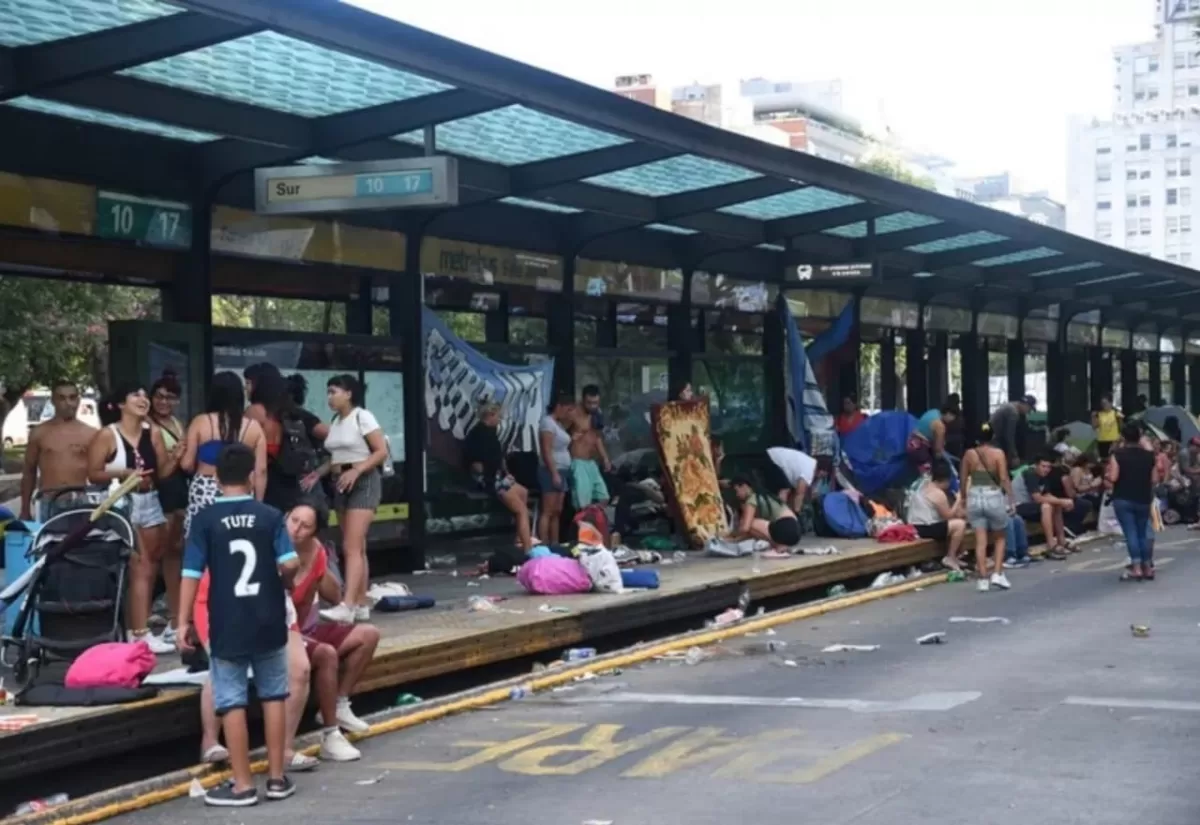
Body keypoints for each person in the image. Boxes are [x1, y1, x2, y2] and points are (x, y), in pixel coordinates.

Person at [178, 444, 299, 806]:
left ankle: (243, 784)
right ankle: (277, 779)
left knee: (231, 699)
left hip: (227, 620)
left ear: (215, 477)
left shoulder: (205, 521)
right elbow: (290, 564)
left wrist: (182, 620)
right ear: (250, 476)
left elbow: (190, 573)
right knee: (274, 694)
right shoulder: (270, 516)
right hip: (267, 616)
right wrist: (285, 581)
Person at [88, 382, 175, 653]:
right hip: (121, 502)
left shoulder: (155, 433)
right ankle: (139, 633)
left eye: (143, 394)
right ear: (121, 405)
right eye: (134, 394)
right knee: (140, 565)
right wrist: (123, 473)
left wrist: (179, 456)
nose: (143, 399)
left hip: (149, 500)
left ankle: (137, 627)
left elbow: (162, 472)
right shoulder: (108, 434)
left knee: (150, 566)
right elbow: (93, 474)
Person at [287, 499, 379, 755]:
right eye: (293, 521)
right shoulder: (273, 547)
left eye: (305, 526)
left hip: (308, 629)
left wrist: (319, 564)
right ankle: (331, 734)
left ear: (314, 532)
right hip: (285, 634)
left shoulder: (317, 551)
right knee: (325, 652)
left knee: (368, 634)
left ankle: (341, 703)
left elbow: (335, 596)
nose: (296, 530)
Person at [315, 375, 389, 626]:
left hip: (363, 480)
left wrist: (357, 470)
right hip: (340, 481)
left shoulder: (362, 416)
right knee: (357, 547)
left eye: (333, 391)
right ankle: (359, 603)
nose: (329, 397)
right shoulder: (336, 420)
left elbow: (380, 451)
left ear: (348, 393)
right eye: (328, 392)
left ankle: (347, 605)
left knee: (351, 546)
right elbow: (336, 456)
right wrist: (317, 473)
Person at [180, 372, 267, 535]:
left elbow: (186, 464)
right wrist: (258, 503)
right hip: (241, 490)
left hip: (205, 489)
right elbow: (260, 470)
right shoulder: (254, 427)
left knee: (202, 539)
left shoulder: (200, 422)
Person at [245, 364, 320, 514]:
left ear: (259, 384)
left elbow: (252, 457)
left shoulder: (254, 411)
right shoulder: (288, 410)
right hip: (290, 482)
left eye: (248, 383)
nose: (245, 388)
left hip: (267, 484)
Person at [19, 379, 96, 522]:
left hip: (81, 501)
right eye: (62, 398)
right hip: (49, 500)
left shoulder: (91, 434)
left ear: (78, 400)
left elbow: (99, 472)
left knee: (80, 543)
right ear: (53, 401)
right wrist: (24, 510)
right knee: (47, 542)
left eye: (72, 397)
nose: (68, 403)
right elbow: (29, 471)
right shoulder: (39, 433)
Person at [149, 375, 188, 639]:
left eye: (170, 397)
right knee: (154, 557)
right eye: (159, 396)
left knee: (175, 554)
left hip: (179, 492)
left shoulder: (176, 422)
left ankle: (175, 616)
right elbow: (161, 470)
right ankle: (143, 617)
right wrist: (177, 454)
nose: (164, 402)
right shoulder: (147, 425)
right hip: (158, 492)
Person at [463, 402, 532, 552]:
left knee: (523, 492)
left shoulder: (491, 432)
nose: (500, 419)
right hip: (489, 479)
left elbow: (499, 458)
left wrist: (506, 473)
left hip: (498, 476)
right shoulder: (477, 435)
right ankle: (527, 549)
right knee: (522, 510)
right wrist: (489, 475)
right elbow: (475, 464)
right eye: (498, 416)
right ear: (491, 415)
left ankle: (519, 538)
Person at [961, 423, 1014, 590]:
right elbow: (1004, 478)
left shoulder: (969, 454)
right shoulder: (998, 453)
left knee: (980, 540)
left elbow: (963, 479)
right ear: (992, 437)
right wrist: (1011, 499)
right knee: (999, 537)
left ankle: (983, 579)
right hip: (993, 495)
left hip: (975, 496)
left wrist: (963, 498)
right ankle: (997, 573)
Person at [1107, 422, 1159, 581]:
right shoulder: (1150, 456)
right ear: (1139, 437)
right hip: (1143, 498)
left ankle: (1136, 568)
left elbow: (1113, 477)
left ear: (1123, 437)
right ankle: (1147, 567)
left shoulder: (1117, 455)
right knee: (1142, 532)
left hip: (1123, 497)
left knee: (1131, 533)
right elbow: (1155, 479)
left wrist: (1107, 476)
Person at [906, 462, 969, 577]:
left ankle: (957, 556)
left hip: (915, 524)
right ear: (946, 480)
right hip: (925, 527)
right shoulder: (938, 494)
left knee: (957, 521)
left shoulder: (924, 483)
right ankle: (950, 556)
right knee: (960, 524)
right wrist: (958, 500)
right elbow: (948, 516)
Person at [1012, 452, 1073, 560]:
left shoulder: (1044, 476)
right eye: (1043, 466)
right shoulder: (1030, 473)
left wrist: (1062, 502)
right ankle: (1051, 545)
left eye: (1048, 467)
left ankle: (1061, 540)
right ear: (1036, 465)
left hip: (1031, 506)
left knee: (1055, 504)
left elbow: (1047, 494)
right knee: (1047, 506)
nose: (1046, 469)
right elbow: (1038, 498)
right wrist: (1062, 501)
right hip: (1017, 505)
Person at [728, 475, 801, 551]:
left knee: (747, 523)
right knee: (752, 526)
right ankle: (782, 545)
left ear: (744, 486)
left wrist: (730, 535)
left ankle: (779, 545)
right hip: (795, 531)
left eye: (737, 491)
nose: (737, 495)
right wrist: (734, 540)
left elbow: (745, 528)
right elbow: (752, 533)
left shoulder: (752, 499)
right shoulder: (763, 496)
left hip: (785, 527)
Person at [537, 395, 574, 545]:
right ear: (559, 406)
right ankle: (544, 542)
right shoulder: (547, 423)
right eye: (567, 409)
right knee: (548, 510)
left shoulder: (558, 424)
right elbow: (546, 449)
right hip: (551, 469)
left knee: (558, 510)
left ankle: (555, 542)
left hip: (563, 469)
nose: (568, 413)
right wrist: (554, 473)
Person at [569, 405, 610, 510]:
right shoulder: (576, 418)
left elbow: (598, 440)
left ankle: (593, 517)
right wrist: (572, 439)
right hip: (579, 463)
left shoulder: (596, 425)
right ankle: (582, 522)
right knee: (582, 502)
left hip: (591, 463)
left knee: (604, 497)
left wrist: (605, 458)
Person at [763, 446, 817, 512]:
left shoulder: (810, 463)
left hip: (771, 455)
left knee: (787, 489)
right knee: (784, 490)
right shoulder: (809, 472)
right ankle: (778, 514)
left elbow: (797, 493)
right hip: (772, 459)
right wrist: (797, 512)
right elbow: (799, 494)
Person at [989, 395, 1035, 467]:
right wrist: (1014, 456)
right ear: (1025, 405)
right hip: (994, 441)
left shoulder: (1013, 405)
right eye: (1029, 409)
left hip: (994, 439)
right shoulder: (1012, 412)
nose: (1028, 412)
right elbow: (1009, 436)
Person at [578, 385, 612, 472]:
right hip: (577, 461)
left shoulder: (597, 414)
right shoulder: (573, 414)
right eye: (589, 403)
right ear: (583, 400)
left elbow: (597, 438)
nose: (592, 406)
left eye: (595, 403)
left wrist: (605, 458)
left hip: (592, 462)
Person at [1092, 394, 1123, 459]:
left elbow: (1121, 428)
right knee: (1103, 459)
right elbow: (1094, 426)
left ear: (1110, 403)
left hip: (1113, 440)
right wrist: (1093, 417)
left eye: (1105, 403)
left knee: (1113, 459)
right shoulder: (1099, 414)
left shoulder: (1116, 413)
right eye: (1102, 403)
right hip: (1102, 440)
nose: (1103, 405)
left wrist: (1117, 441)